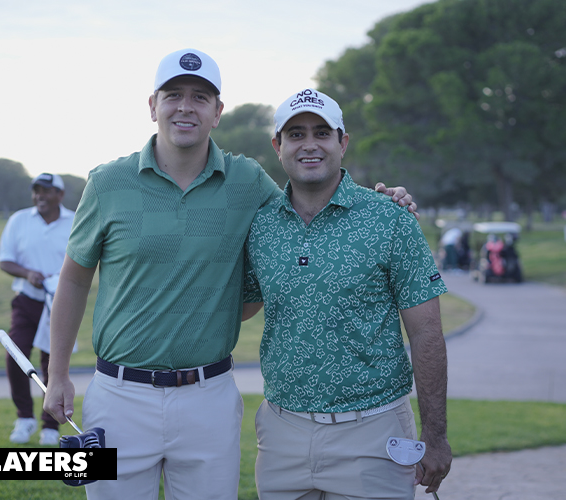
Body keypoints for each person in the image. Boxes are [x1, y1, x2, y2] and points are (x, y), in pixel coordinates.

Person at [43, 48, 416, 500]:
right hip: (119, 396)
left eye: (200, 97)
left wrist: (380, 203)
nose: (186, 107)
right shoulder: (107, 183)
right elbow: (74, 279)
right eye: (173, 95)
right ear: (152, 106)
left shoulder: (248, 180)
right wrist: (58, 373)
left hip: (209, 397)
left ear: (217, 112)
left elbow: (308, 206)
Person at [243, 89, 452, 499]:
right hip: (281, 434)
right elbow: (241, 307)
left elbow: (426, 333)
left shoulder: (391, 219)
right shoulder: (261, 226)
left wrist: (436, 435)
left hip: (373, 433)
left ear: (343, 143)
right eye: (296, 134)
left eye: (322, 133)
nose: (309, 145)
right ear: (278, 147)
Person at [0, 173, 74, 445]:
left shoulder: (74, 221)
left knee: (52, 365)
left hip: (59, 303)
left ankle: (50, 427)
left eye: (47, 191)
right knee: (15, 355)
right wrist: (27, 273)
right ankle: (25, 418)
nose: (40, 195)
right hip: (27, 300)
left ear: (60, 195)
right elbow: (5, 261)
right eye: (36, 190)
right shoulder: (19, 220)